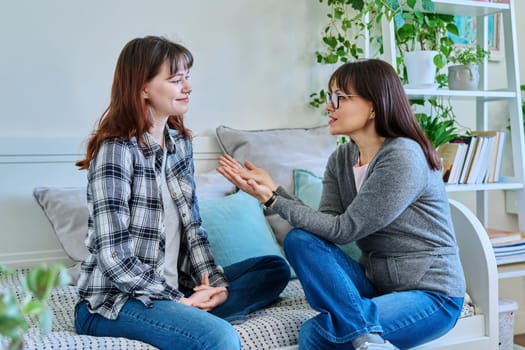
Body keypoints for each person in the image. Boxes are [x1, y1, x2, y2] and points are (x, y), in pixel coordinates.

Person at [217, 59, 466, 350]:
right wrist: (275, 191)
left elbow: (344, 230)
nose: (329, 106)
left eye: (339, 97)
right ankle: (368, 339)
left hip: (431, 294)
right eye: (329, 97)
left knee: (317, 334)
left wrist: (274, 199)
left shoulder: (403, 156)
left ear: (374, 105)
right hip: (376, 288)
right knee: (301, 240)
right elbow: (324, 227)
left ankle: (365, 338)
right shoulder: (342, 158)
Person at [74, 36, 290, 350]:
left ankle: (195, 314)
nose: (187, 87)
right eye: (176, 80)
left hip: (178, 289)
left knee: (272, 269)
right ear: (143, 88)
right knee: (220, 338)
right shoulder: (115, 151)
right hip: (117, 301)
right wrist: (178, 301)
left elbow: (193, 229)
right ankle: (193, 320)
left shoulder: (179, 146)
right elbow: (114, 257)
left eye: (187, 78)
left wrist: (212, 285)